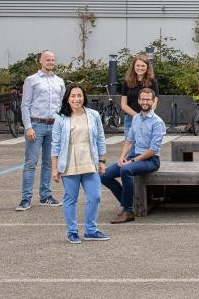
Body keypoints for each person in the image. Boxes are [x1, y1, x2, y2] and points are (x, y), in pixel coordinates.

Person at [51, 84, 110, 243]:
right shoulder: (60, 117)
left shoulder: (93, 115)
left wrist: (102, 161)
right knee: (71, 198)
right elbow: (55, 144)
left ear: (84, 97)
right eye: (73, 96)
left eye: (79, 95)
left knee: (95, 197)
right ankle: (72, 232)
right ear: (67, 98)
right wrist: (55, 168)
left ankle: (91, 230)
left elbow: (100, 139)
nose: (77, 99)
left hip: (90, 162)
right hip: (69, 163)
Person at [100, 88, 165, 223]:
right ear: (138, 100)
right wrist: (122, 156)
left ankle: (128, 210)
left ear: (153, 101)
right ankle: (130, 201)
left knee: (126, 169)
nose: (145, 102)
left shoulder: (157, 122)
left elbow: (153, 150)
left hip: (150, 160)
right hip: (133, 157)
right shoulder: (135, 118)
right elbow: (129, 141)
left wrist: (132, 161)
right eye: (142, 99)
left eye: (148, 99)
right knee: (104, 175)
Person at [16, 50, 66, 211]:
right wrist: (28, 126)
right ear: (40, 61)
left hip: (54, 125)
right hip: (36, 125)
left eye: (52, 60)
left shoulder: (59, 81)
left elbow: (63, 105)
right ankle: (25, 199)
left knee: (48, 163)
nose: (50, 62)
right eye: (47, 59)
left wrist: (62, 124)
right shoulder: (32, 80)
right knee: (30, 162)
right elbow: (25, 105)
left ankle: (45, 196)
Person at [120, 53, 159, 133]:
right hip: (130, 119)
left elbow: (154, 102)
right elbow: (123, 105)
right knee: (129, 144)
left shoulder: (152, 82)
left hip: (147, 119)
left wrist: (145, 116)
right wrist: (137, 116)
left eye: (143, 66)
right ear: (134, 66)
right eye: (138, 65)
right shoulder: (127, 82)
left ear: (147, 67)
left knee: (145, 145)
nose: (140, 68)